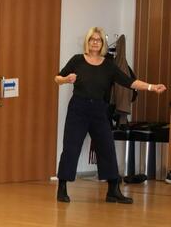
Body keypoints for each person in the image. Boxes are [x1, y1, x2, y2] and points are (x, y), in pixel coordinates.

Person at [55, 27, 166, 203]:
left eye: (98, 40)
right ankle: (62, 188)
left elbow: (129, 82)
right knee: (71, 147)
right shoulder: (77, 60)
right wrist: (67, 79)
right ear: (88, 42)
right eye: (92, 39)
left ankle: (113, 190)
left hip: (99, 110)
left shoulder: (108, 65)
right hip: (78, 108)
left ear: (102, 44)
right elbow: (57, 78)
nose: (95, 42)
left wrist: (152, 87)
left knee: (107, 147)